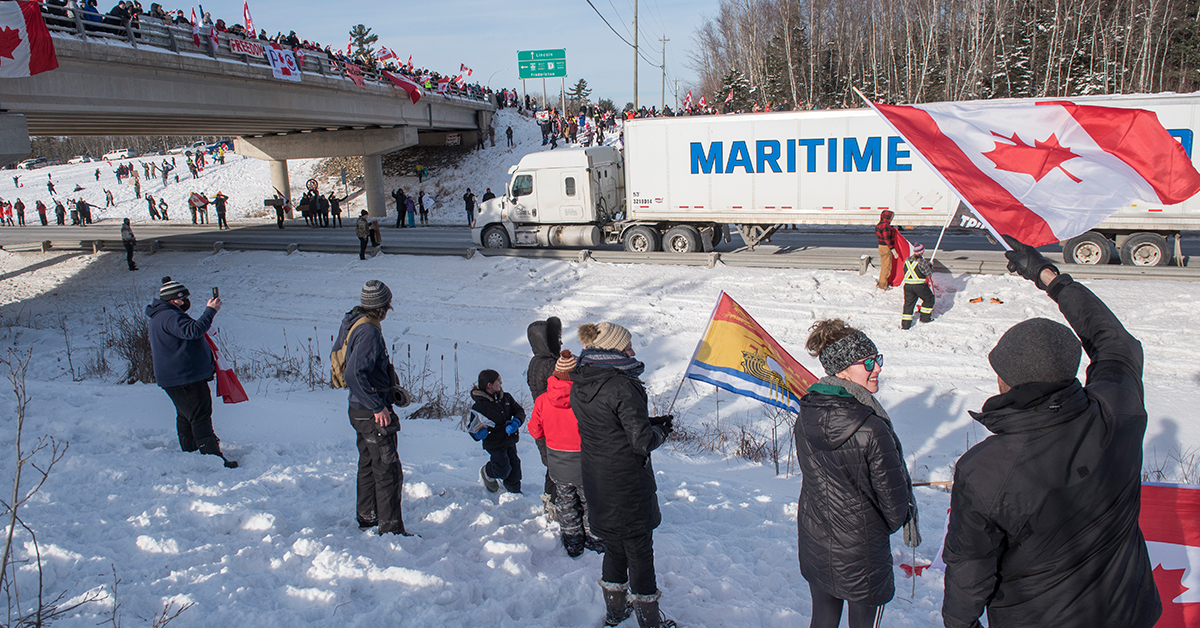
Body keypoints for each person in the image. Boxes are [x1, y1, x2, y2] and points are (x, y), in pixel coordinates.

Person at [941, 235, 1161, 628]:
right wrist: (1051, 278)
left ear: (1005, 381)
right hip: (1129, 611)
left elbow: (970, 567)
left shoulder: (986, 469)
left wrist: (961, 623)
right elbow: (1116, 343)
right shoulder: (1117, 411)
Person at [796, 319, 916, 628]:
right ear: (843, 370)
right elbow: (895, 507)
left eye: (878, 359)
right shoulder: (872, 427)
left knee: (822, 620)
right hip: (862, 551)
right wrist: (877, 525)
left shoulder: (807, 411)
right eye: (867, 362)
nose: (877, 368)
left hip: (817, 539)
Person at [571, 322, 677, 628]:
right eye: (628, 346)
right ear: (614, 350)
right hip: (627, 485)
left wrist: (650, 420)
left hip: (597, 480)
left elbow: (608, 425)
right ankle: (650, 622)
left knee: (615, 547)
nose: (633, 351)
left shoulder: (582, 381)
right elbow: (641, 442)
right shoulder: (622, 385)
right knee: (640, 553)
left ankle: (616, 612)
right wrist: (661, 430)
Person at [334, 280, 410, 536]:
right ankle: (390, 529)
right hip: (370, 411)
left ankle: (367, 515)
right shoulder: (369, 332)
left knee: (368, 462)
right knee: (387, 468)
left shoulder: (354, 322)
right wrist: (378, 406)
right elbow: (355, 374)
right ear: (382, 307)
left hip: (358, 409)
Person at [145, 277, 238, 469]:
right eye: (183, 298)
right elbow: (193, 330)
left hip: (176, 377)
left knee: (186, 415)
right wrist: (210, 311)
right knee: (200, 415)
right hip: (185, 377)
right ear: (173, 300)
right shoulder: (170, 316)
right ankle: (212, 457)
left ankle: (190, 450)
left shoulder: (161, 315)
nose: (186, 301)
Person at [528, 350, 606, 557]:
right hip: (585, 461)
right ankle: (595, 538)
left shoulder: (543, 400)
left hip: (557, 462)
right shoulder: (587, 398)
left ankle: (572, 540)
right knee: (590, 502)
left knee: (565, 500)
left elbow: (535, 430)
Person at [526, 316, 563, 520]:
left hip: (543, 422)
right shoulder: (550, 365)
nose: (561, 342)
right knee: (558, 467)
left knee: (553, 467)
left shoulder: (537, 361)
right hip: (553, 424)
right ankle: (555, 506)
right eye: (557, 338)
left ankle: (550, 502)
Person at [468, 370, 525, 493]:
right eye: (498, 380)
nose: (501, 383)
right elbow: (472, 428)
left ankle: (514, 490)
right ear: (489, 385)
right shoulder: (479, 406)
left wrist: (516, 422)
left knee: (514, 464)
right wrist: (478, 434)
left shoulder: (506, 398)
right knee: (502, 468)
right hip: (494, 442)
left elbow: (519, 411)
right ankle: (487, 472)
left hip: (509, 438)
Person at [900, 242, 934, 329]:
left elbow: (905, 270)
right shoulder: (922, 262)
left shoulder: (907, 260)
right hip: (920, 286)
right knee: (929, 299)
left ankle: (905, 325)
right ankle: (925, 318)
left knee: (908, 304)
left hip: (908, 286)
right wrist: (930, 265)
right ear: (921, 252)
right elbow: (928, 273)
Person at [875, 210, 897, 290]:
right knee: (887, 267)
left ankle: (882, 283)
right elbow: (887, 239)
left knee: (884, 265)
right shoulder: (886, 226)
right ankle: (883, 285)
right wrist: (892, 249)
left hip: (880, 246)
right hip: (886, 247)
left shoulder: (879, 224)